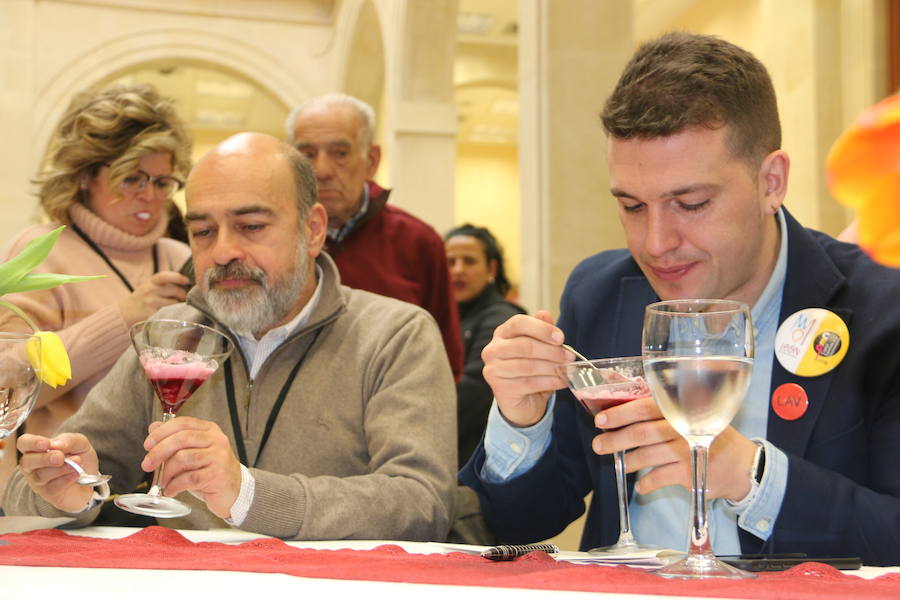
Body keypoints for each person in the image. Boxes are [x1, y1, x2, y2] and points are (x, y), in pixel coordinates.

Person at [459, 32, 900, 566]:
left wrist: (752, 478)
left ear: (771, 182)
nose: (656, 244)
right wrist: (522, 423)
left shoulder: (882, 306)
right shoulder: (599, 294)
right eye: (632, 206)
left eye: (690, 204)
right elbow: (518, 526)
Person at [3, 133, 457, 541]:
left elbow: (422, 504)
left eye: (252, 226)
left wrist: (248, 493)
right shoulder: (170, 333)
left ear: (313, 229)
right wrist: (64, 494)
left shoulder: (396, 335)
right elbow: (32, 489)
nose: (222, 252)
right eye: (202, 231)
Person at [0, 83, 192, 496]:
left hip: (167, 492)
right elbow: (6, 385)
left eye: (163, 182)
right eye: (132, 178)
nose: (149, 195)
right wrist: (124, 318)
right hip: (62, 489)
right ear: (86, 175)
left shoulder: (180, 256)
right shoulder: (40, 252)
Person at [285, 93, 464, 381]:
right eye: (307, 155)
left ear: (371, 160)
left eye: (340, 153)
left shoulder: (418, 242)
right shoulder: (268, 238)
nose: (322, 170)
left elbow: (446, 363)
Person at [444, 224, 525, 468]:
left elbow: (472, 395)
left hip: (480, 466)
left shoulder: (503, 319)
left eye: (469, 261)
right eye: (450, 262)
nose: (458, 270)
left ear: (491, 268)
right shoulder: (440, 316)